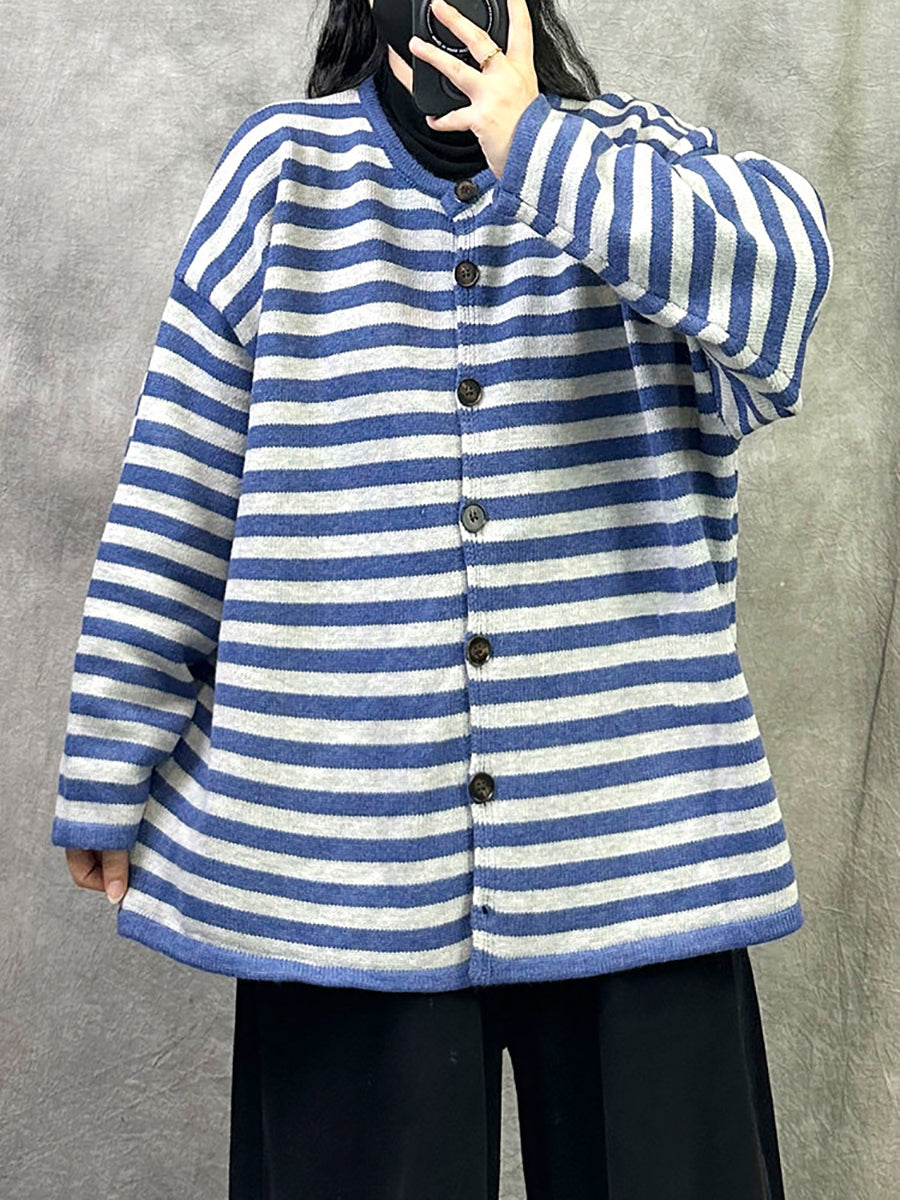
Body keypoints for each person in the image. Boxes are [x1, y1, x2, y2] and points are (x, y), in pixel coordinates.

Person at [53, 1, 834, 1197]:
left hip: (637, 846)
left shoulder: (639, 163)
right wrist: (111, 756)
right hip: (344, 856)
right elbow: (179, 483)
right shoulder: (282, 177)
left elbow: (786, 291)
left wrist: (541, 150)